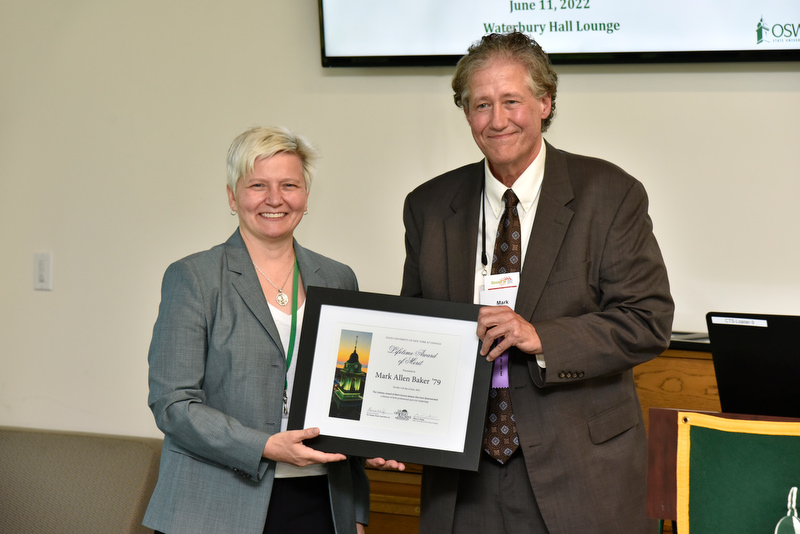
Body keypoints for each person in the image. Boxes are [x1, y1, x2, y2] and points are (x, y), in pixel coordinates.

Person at [401, 33, 674, 533]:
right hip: (464, 482)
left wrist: (541, 336)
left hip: (584, 475)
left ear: (545, 103)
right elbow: (418, 332)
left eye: (512, 101)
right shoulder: (428, 206)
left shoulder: (610, 194)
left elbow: (647, 320)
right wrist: (392, 425)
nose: (497, 119)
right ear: (466, 114)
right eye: (481, 104)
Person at [144, 126, 389, 534]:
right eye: (258, 185)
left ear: (306, 196)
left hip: (322, 504)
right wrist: (264, 446)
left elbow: (351, 397)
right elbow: (172, 404)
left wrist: (357, 509)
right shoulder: (195, 278)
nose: (275, 199)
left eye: (289, 185)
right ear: (232, 196)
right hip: (214, 507)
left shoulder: (338, 278)